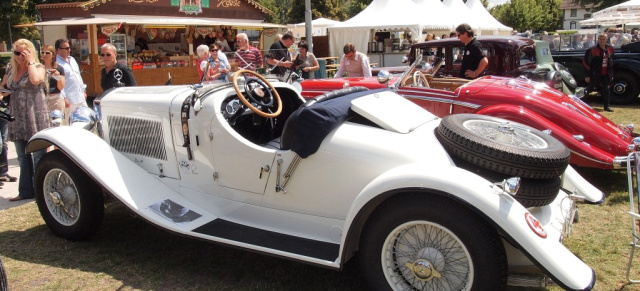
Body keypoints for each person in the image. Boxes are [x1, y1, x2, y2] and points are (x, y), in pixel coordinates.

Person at [0, 39, 50, 201]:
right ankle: (25, 191)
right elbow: (4, 89)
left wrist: (30, 62)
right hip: (18, 118)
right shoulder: (11, 69)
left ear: (30, 52)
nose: (20, 56)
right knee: (22, 157)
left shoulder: (39, 67)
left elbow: (36, 80)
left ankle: (42, 191)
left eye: (24, 53)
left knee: (38, 156)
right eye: (17, 53)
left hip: (36, 116)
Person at [56, 38, 87, 124]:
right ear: (58, 50)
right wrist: (64, 98)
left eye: (69, 48)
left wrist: (83, 90)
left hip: (80, 96)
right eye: (66, 48)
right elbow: (58, 82)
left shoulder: (72, 59)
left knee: (85, 120)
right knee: (69, 123)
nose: (69, 50)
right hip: (69, 99)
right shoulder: (56, 63)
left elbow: (78, 76)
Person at [583, 33, 615, 112]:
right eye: (600, 39)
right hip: (595, 73)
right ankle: (581, 104)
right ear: (598, 39)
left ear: (606, 39)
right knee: (589, 89)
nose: (602, 40)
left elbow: (611, 60)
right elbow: (585, 62)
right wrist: (587, 75)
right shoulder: (592, 49)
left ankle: (606, 106)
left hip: (605, 73)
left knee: (606, 89)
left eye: (603, 39)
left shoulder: (610, 48)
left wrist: (611, 73)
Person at [40, 44, 66, 113]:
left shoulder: (59, 68)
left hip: (56, 100)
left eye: (47, 53)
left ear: (53, 55)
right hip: (42, 100)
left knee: (58, 121)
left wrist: (57, 77)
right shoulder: (38, 68)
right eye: (42, 52)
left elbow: (61, 87)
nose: (44, 55)